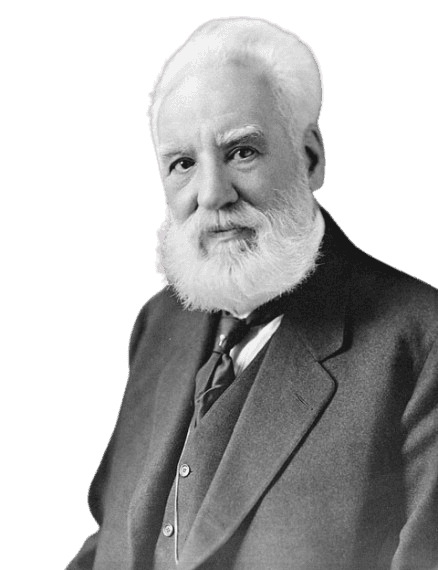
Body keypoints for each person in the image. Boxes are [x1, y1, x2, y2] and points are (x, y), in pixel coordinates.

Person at [66, 17, 438, 570]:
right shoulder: (158, 323)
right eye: (183, 164)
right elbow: (110, 542)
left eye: (242, 151)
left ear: (310, 158)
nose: (212, 194)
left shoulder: (419, 336)